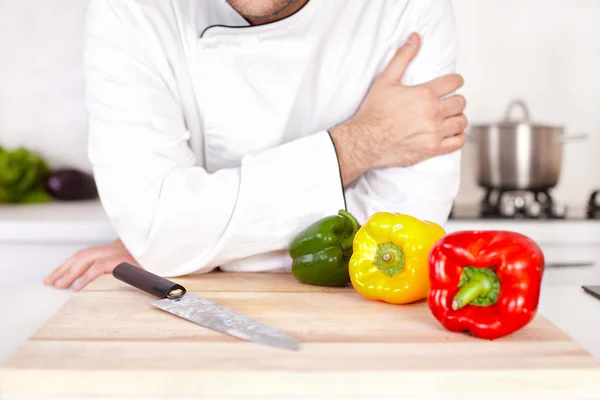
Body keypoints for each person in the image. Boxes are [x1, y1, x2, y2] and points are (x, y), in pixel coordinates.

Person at [45, 0, 467, 291]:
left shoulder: (406, 8)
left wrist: (188, 246)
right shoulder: (133, 10)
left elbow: (403, 237)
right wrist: (358, 145)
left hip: (360, 329)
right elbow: (159, 228)